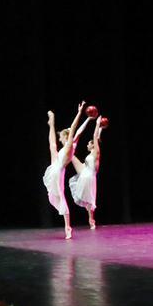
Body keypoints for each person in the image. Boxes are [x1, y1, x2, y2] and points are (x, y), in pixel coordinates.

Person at [44, 103, 88, 240]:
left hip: (58, 170)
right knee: (52, 146)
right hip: (56, 166)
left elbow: (75, 128)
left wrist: (80, 112)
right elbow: (79, 132)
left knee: (61, 198)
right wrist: (87, 120)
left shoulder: (69, 145)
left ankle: (67, 227)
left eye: (61, 136)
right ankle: (51, 123)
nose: (60, 138)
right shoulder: (70, 145)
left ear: (65, 136)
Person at [69, 115, 107, 230]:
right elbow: (98, 137)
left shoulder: (96, 153)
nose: (87, 144)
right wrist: (100, 128)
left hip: (89, 176)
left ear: (93, 145)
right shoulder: (92, 154)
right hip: (85, 173)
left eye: (89, 143)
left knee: (89, 200)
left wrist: (97, 124)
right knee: (71, 154)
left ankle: (91, 220)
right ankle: (91, 219)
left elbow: (95, 137)